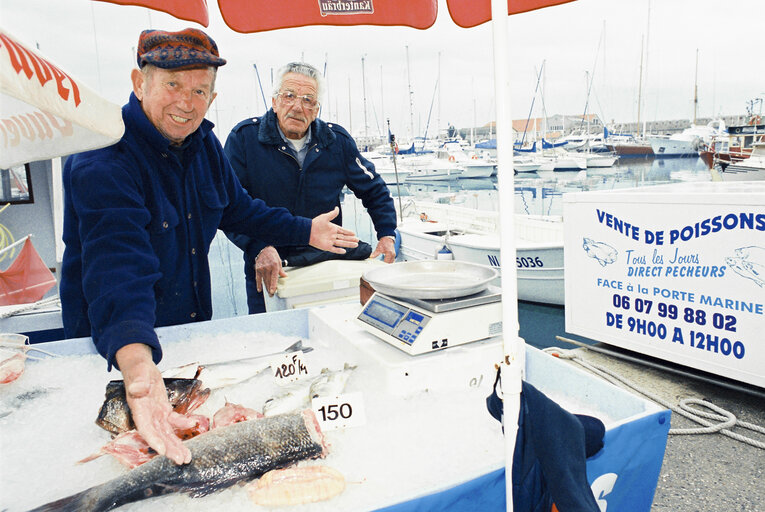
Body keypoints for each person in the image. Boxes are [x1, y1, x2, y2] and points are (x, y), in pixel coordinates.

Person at [59, 29, 358, 465]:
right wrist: (137, 367)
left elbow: (240, 209)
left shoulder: (204, 146)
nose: (187, 102)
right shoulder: (102, 157)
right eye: (173, 85)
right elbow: (117, 267)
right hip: (116, 349)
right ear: (140, 83)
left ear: (213, 98)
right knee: (110, 460)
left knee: (186, 453)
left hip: (186, 336)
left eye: (200, 90)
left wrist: (305, 230)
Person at [224, 62, 397, 314]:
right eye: (289, 96)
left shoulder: (335, 141)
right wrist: (258, 247)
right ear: (274, 101)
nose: (297, 106)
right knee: (273, 343)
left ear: (316, 110)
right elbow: (228, 206)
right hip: (271, 261)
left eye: (308, 100)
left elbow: (374, 189)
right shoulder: (244, 139)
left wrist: (387, 234)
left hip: (328, 259)